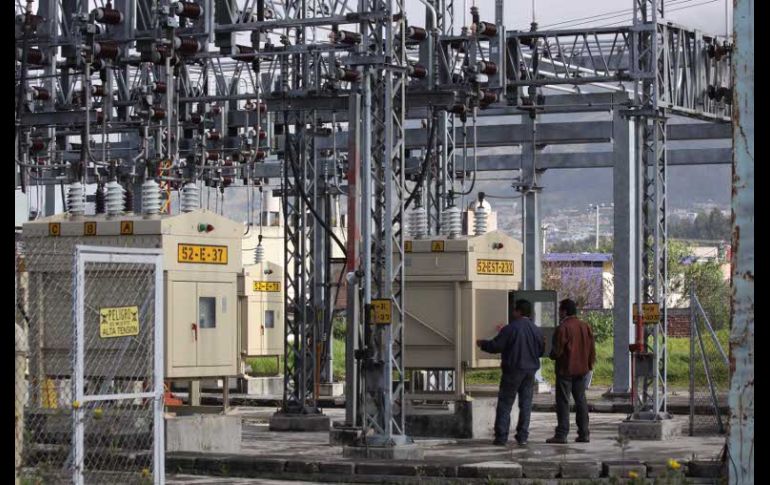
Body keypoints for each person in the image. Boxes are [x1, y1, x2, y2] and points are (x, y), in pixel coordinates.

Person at [476, 298, 544, 446]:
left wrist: (482, 343)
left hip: (513, 370)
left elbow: (496, 346)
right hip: (530, 371)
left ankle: (501, 437)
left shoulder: (510, 328)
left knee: (505, 403)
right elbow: (541, 350)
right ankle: (523, 436)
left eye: (514, 310)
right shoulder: (536, 330)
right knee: (525, 404)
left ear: (518, 311)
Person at [546, 299, 596, 444]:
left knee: (563, 401)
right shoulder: (585, 326)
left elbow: (557, 352)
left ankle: (561, 434)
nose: (558, 313)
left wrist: (550, 353)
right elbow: (592, 349)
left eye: (560, 310)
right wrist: (588, 365)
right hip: (582, 370)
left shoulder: (563, 328)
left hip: (565, 370)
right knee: (581, 401)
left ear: (564, 311)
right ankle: (584, 433)